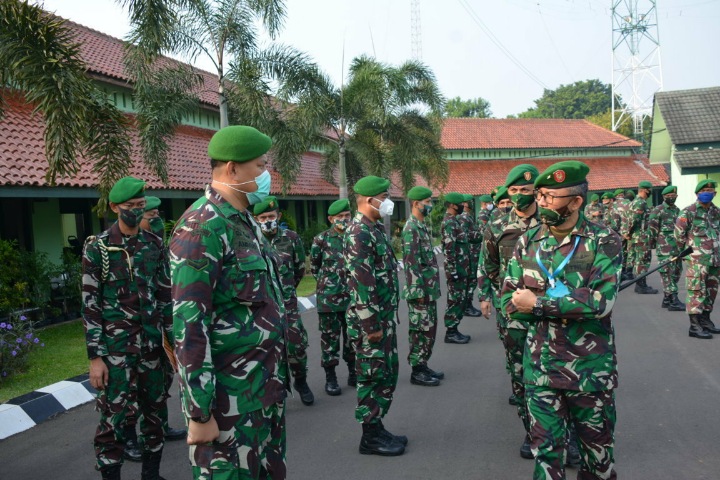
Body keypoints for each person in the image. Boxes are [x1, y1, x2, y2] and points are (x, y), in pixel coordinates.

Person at [169, 125, 288, 479]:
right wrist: (200, 413)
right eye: (260, 166)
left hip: (262, 394)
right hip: (228, 405)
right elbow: (189, 326)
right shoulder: (201, 226)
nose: (266, 175)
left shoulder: (243, 222)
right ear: (233, 169)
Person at [502, 160, 621, 480]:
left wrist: (537, 303)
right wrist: (566, 302)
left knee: (597, 459)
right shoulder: (528, 241)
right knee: (546, 458)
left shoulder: (603, 240)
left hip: (589, 372)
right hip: (541, 371)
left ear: (576, 201)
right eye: (539, 195)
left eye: (550, 196)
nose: (540, 201)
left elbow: (600, 302)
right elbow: (508, 300)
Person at [82, 176, 172, 480]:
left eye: (139, 205)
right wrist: (95, 358)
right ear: (114, 207)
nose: (135, 211)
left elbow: (165, 297)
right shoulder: (99, 248)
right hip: (116, 352)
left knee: (155, 414)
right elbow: (90, 305)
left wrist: (173, 345)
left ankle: (152, 474)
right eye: (129, 206)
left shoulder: (154, 244)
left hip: (151, 348)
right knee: (114, 420)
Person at [478, 164, 542, 460]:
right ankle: (532, 433)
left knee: (554, 373)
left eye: (525, 191)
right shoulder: (496, 226)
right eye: (514, 190)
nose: (518, 196)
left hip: (549, 312)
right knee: (520, 372)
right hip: (513, 315)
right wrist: (494, 296)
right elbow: (487, 264)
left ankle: (562, 435)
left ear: (536, 192)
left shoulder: (551, 223)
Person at [121, 196, 186, 462]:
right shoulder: (118, 249)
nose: (156, 220)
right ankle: (127, 438)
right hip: (127, 334)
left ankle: (160, 425)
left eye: (158, 214)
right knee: (129, 387)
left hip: (157, 328)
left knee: (159, 381)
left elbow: (165, 288)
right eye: (152, 215)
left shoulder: (157, 246)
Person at [344, 175, 405, 456]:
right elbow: (361, 282)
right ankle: (369, 435)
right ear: (371, 200)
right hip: (370, 323)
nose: (389, 201)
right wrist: (371, 324)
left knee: (385, 374)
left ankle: (377, 425)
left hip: (382, 319)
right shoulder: (358, 232)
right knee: (371, 375)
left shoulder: (374, 228)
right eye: (385, 196)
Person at [254, 196, 314, 406]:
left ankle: (301, 382)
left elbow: (299, 270)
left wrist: (286, 292)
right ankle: (274, 391)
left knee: (296, 346)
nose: (268, 220)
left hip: (287, 303)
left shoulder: (291, 238)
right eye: (263, 217)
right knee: (267, 350)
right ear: (256, 219)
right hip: (262, 306)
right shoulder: (250, 240)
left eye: (271, 216)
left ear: (278, 216)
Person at [310, 199, 355, 395]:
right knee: (329, 340)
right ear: (330, 219)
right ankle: (331, 378)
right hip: (329, 300)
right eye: (340, 217)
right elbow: (314, 267)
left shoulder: (355, 237)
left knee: (352, 338)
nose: (344, 220)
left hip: (352, 299)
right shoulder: (321, 240)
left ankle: (354, 372)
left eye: (347, 216)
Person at [401, 186, 444, 387]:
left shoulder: (421, 226)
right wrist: (418, 291)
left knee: (429, 329)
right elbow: (411, 263)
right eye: (427, 202)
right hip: (420, 291)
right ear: (416, 204)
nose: (430, 205)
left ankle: (423, 364)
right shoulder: (411, 229)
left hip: (428, 290)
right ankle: (417, 371)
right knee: (420, 330)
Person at [675, 179, 720, 339]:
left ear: (714, 193)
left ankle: (705, 321)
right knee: (696, 291)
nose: (708, 192)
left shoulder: (716, 212)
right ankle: (694, 326)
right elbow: (679, 236)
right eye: (704, 190)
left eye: (711, 190)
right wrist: (687, 254)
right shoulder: (688, 212)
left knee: (711, 291)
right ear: (698, 193)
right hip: (697, 261)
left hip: (715, 260)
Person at [441, 192, 472, 344]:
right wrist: (452, 272)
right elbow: (449, 249)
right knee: (454, 301)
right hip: (456, 271)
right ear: (453, 205)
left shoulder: (455, 221)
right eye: (461, 204)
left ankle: (454, 329)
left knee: (460, 300)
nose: (463, 207)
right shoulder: (449, 223)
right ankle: (451, 332)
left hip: (461, 269)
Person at [648, 186, 685, 311]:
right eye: (669, 195)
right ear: (664, 197)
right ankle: (674, 301)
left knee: (677, 273)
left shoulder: (677, 210)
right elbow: (652, 230)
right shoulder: (658, 210)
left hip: (677, 249)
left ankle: (667, 299)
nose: (671, 197)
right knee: (667, 274)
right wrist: (653, 245)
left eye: (673, 195)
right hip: (664, 248)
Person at [622, 181, 659, 295]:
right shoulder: (640, 203)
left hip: (636, 237)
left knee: (638, 261)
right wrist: (627, 232)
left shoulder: (633, 202)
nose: (650, 192)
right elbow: (634, 219)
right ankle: (641, 285)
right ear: (644, 190)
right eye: (649, 190)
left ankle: (640, 283)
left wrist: (627, 232)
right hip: (641, 237)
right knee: (643, 261)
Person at [461, 194, 483, 317]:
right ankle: (467, 306)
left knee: (472, 280)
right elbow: (465, 235)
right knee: (471, 280)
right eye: (469, 202)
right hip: (470, 252)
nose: (471, 204)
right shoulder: (464, 217)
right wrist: (479, 235)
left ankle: (468, 304)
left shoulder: (468, 216)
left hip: (473, 251)